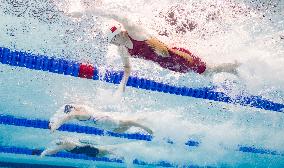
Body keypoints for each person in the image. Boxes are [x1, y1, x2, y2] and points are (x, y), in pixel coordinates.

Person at [68, 4, 240, 93]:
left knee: (207, 71)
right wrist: (122, 86)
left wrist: (84, 12)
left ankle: (236, 65)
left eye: (113, 41)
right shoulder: (123, 49)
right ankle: (233, 68)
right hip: (168, 64)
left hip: (175, 55)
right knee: (206, 72)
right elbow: (127, 68)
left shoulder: (133, 30)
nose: (113, 45)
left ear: (118, 34)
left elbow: (115, 15)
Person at [49, 104, 153, 135]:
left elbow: (66, 117)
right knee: (123, 128)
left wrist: (55, 126)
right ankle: (142, 119)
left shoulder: (77, 113)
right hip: (102, 123)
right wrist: (54, 123)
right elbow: (64, 115)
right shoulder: (78, 109)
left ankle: (145, 125)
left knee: (127, 123)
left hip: (103, 120)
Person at [35, 138, 115, 158]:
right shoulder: (66, 144)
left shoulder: (65, 145)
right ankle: (116, 154)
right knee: (105, 152)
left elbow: (53, 151)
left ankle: (117, 154)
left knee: (105, 152)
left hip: (89, 149)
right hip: (88, 150)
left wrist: (44, 153)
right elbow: (54, 150)